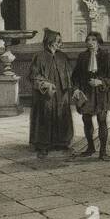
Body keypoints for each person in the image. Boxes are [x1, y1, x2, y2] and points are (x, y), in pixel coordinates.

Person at [28, 28, 74, 158]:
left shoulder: (62, 56)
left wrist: (73, 89)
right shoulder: (39, 56)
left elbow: (70, 74)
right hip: (45, 94)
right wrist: (45, 84)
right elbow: (33, 76)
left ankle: (62, 142)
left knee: (62, 115)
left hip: (61, 93)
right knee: (45, 116)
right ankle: (43, 146)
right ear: (50, 42)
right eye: (58, 41)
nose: (61, 43)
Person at [72, 32, 110, 161]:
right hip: (86, 94)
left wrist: (101, 82)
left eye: (93, 40)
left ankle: (103, 152)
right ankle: (90, 147)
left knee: (102, 121)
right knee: (86, 121)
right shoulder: (82, 57)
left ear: (98, 42)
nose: (90, 42)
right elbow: (75, 76)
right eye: (88, 40)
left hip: (102, 94)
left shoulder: (107, 56)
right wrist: (75, 89)